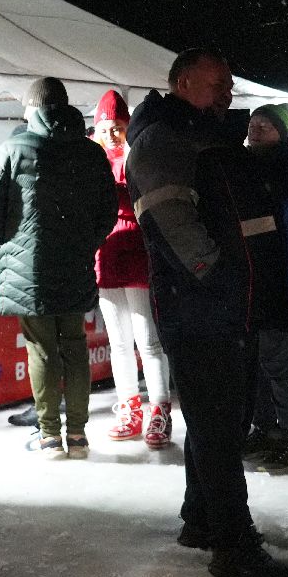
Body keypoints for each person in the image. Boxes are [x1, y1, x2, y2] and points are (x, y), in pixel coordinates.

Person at [127, 48, 288, 577]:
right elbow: (172, 217)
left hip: (226, 300)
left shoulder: (205, 133)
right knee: (219, 425)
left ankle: (201, 519)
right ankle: (234, 545)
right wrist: (216, 273)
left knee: (217, 418)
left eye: (230, 82)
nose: (227, 91)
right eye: (217, 82)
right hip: (198, 304)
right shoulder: (163, 137)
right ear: (182, 82)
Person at [0, 77, 117, 459]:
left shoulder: (15, 147)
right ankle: (77, 437)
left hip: (29, 268)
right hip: (75, 262)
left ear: (34, 108)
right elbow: (107, 210)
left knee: (41, 349)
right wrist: (86, 243)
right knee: (74, 346)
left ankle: (48, 437)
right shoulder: (90, 152)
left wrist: (7, 249)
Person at [92, 88, 173, 450]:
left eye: (118, 126)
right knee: (119, 341)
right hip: (107, 253)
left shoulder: (135, 156)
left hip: (137, 250)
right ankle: (129, 405)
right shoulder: (93, 159)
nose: (112, 133)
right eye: (106, 127)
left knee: (147, 338)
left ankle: (160, 406)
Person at [240, 103, 288, 474]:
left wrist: (248, 225)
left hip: (279, 276)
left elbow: (284, 216)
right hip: (249, 277)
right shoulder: (241, 163)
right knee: (255, 360)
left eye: (266, 125)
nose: (256, 129)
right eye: (254, 123)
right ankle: (264, 428)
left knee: (278, 360)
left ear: (281, 132)